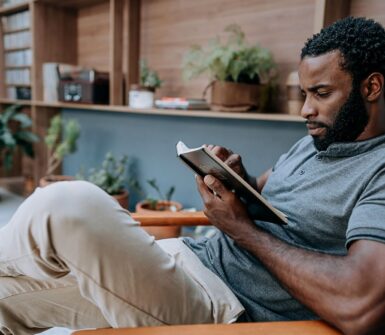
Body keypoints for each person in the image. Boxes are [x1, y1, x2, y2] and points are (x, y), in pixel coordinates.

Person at [1, 16, 385, 335]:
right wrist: (239, 180)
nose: (305, 109)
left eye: (320, 93)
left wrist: (242, 231)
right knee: (8, 301)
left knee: (68, 205)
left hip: (222, 306)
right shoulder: (318, 139)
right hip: (191, 260)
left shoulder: (378, 169)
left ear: (371, 86)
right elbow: (269, 200)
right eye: (304, 93)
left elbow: (359, 304)